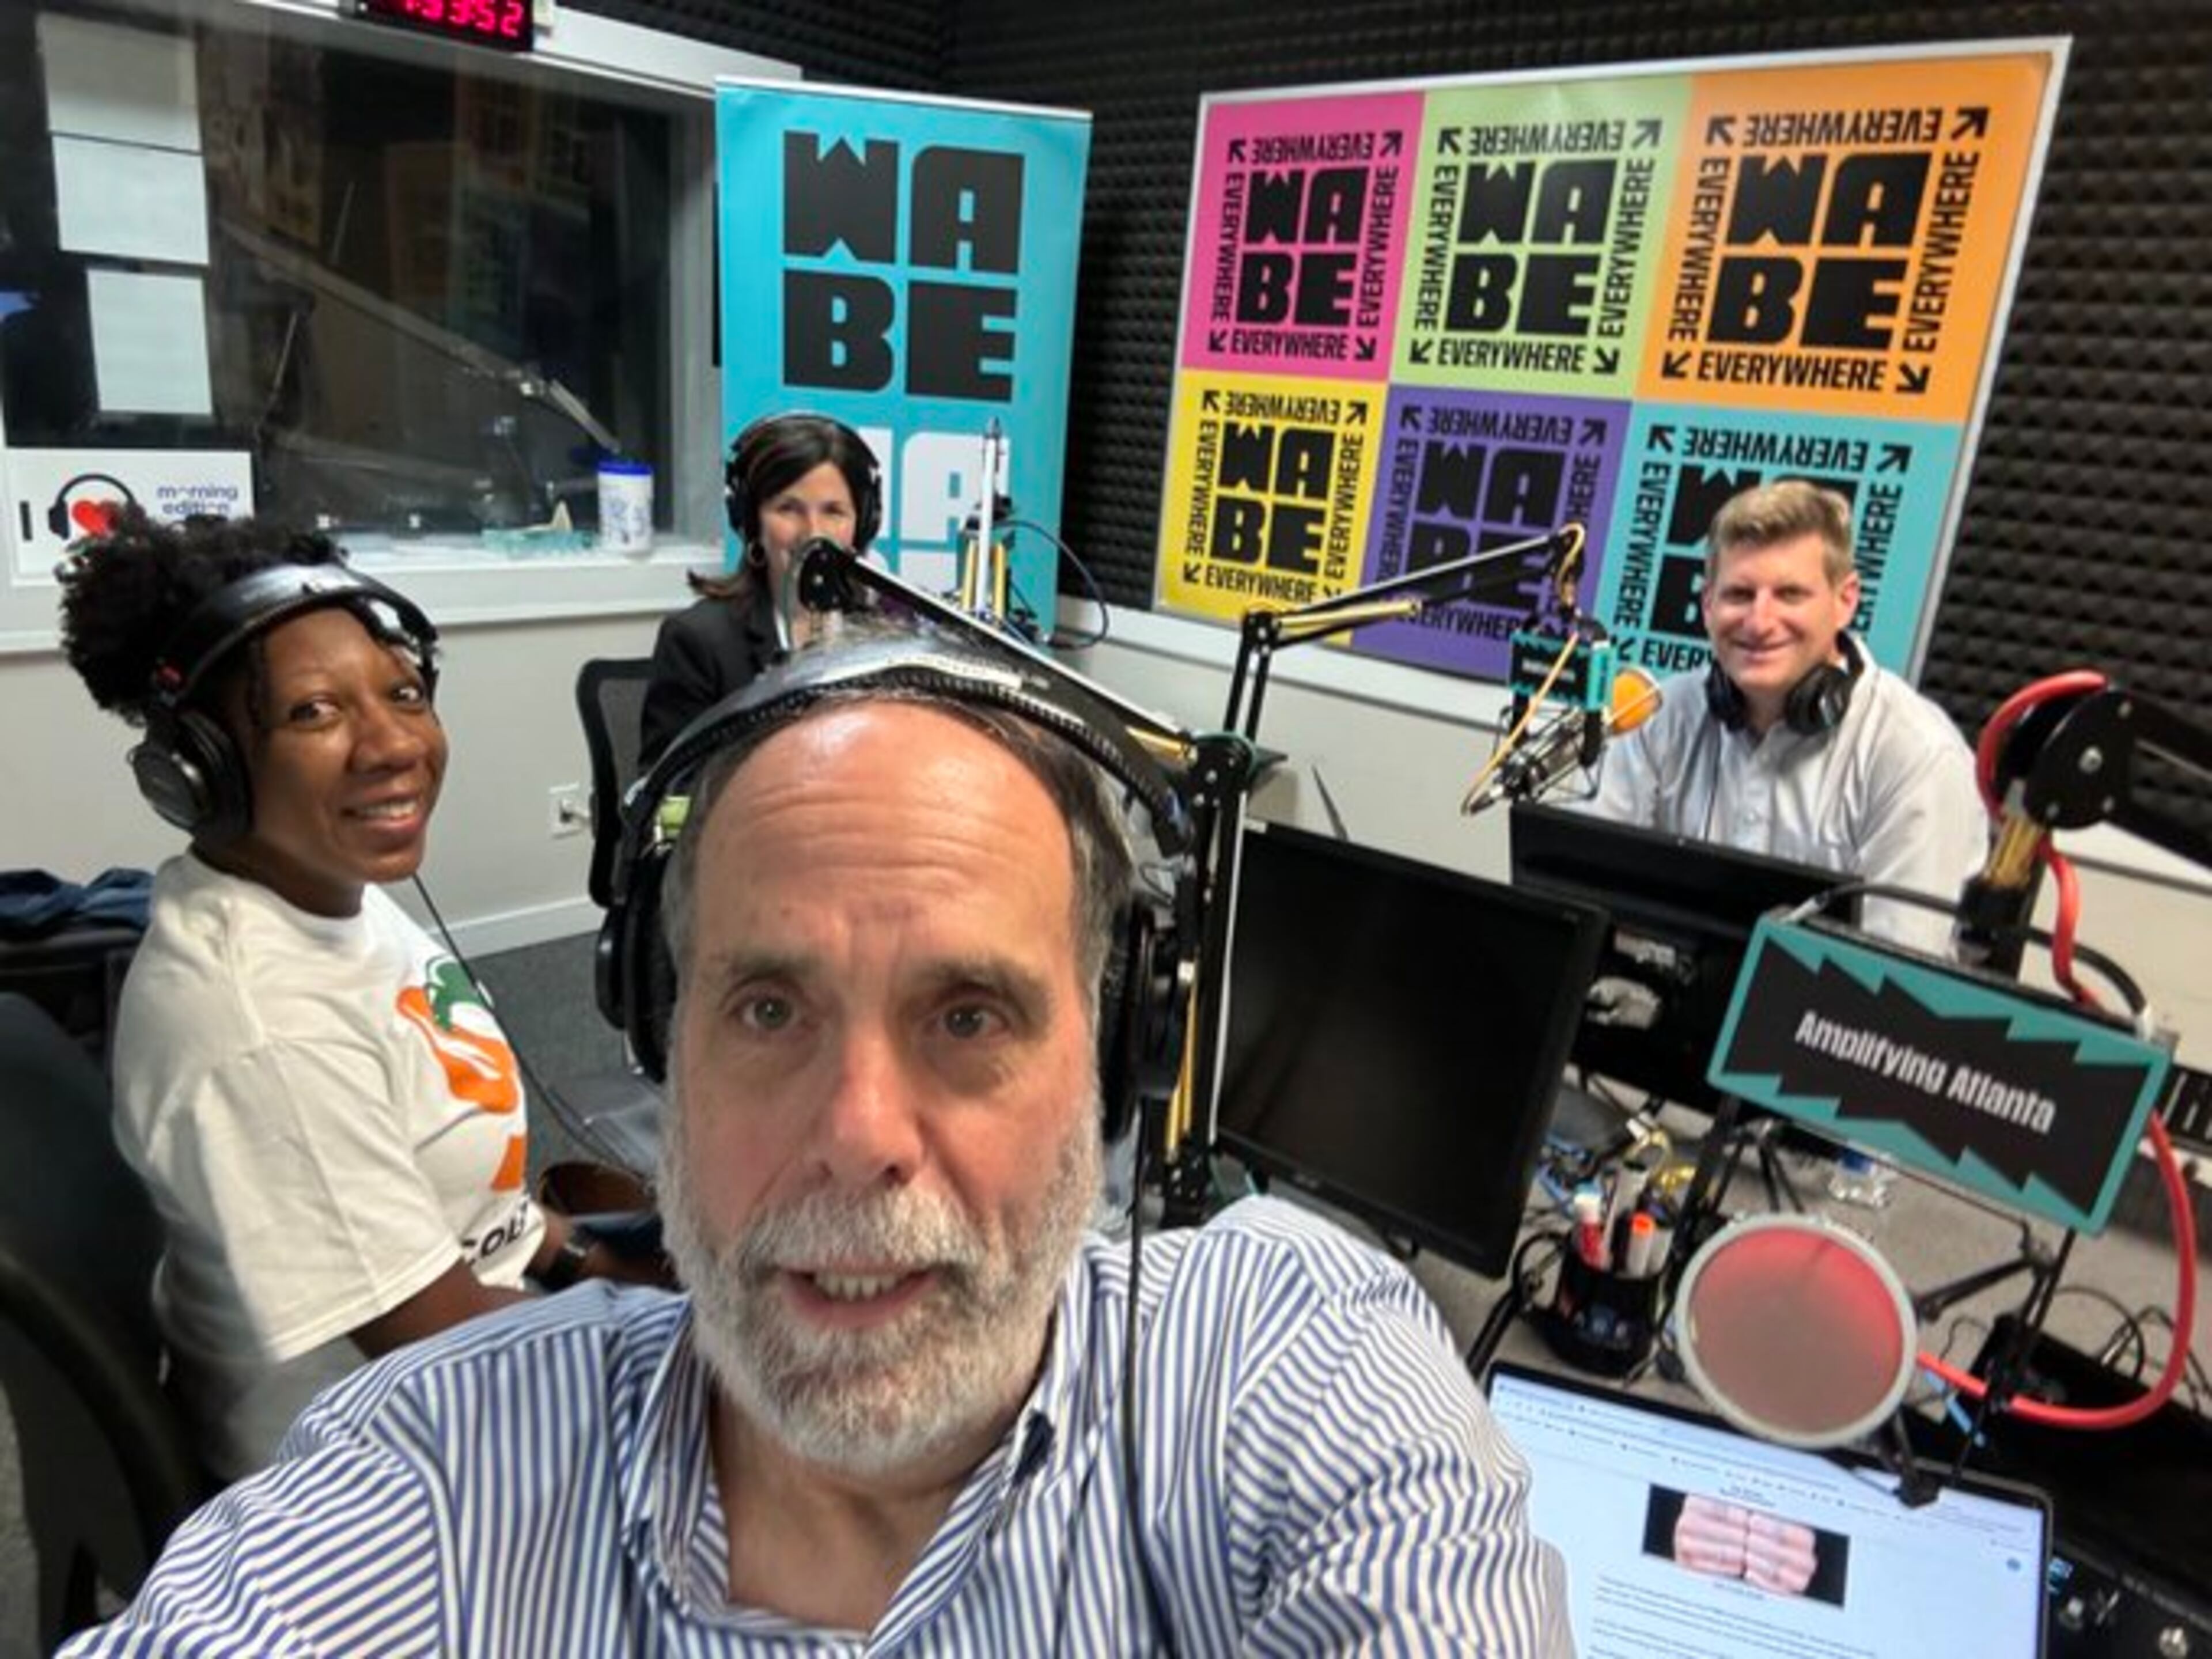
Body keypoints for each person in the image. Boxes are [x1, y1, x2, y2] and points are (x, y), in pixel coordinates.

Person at [63, 618, 1574, 1655]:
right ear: (666, 1038)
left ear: (1119, 1064)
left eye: (969, 1015)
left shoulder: (1290, 1367)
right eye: (770, 1009)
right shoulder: (441, 1465)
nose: (859, 1140)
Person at [56, 510, 652, 1482]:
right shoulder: (262, 1026)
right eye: (313, 712)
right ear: (200, 771)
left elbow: (464, 1207)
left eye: (404, 693)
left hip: (472, 1345)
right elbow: (455, 1361)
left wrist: (602, 1257)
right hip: (382, 1470)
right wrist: (710, 1345)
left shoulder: (334, 901)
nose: (392, 745)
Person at [1578, 478, 1987, 950]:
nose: (1759, 622)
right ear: (1708, 605)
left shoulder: (1917, 756)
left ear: (1845, 600)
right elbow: (1583, 889)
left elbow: (1894, 978)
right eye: (1739, 595)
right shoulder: (1660, 715)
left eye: (1790, 594)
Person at [638, 411, 882, 767]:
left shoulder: (884, 638)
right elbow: (665, 795)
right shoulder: (698, 641)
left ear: (861, 526)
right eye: (789, 509)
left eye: (834, 511)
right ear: (752, 522)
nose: (813, 532)